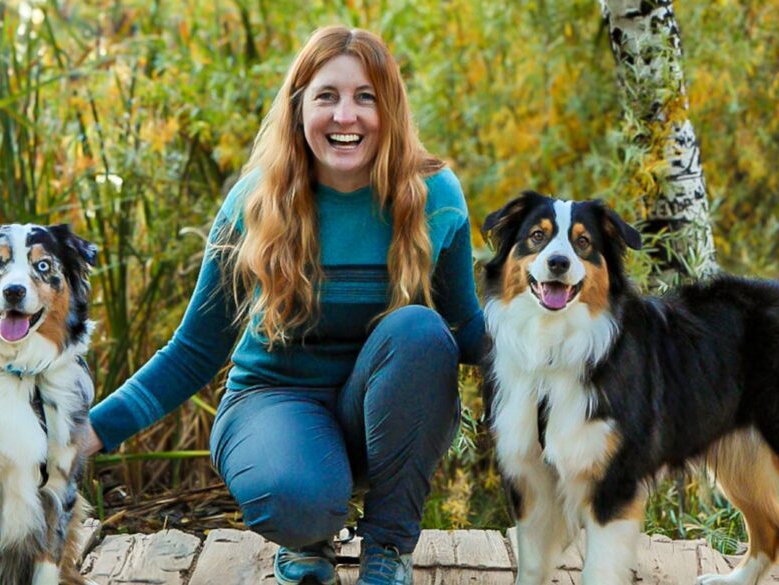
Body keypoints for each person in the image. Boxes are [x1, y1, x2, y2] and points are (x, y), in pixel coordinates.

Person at [83, 25, 484, 585]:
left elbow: (465, 329)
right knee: (299, 501)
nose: (346, 116)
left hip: (379, 415)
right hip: (271, 404)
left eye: (365, 98)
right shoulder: (255, 203)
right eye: (327, 97)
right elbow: (193, 351)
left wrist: (572, 354)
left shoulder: (433, 197)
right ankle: (308, 534)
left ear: (389, 109)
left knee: (421, 331)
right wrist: (88, 432)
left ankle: (388, 549)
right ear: (299, 108)